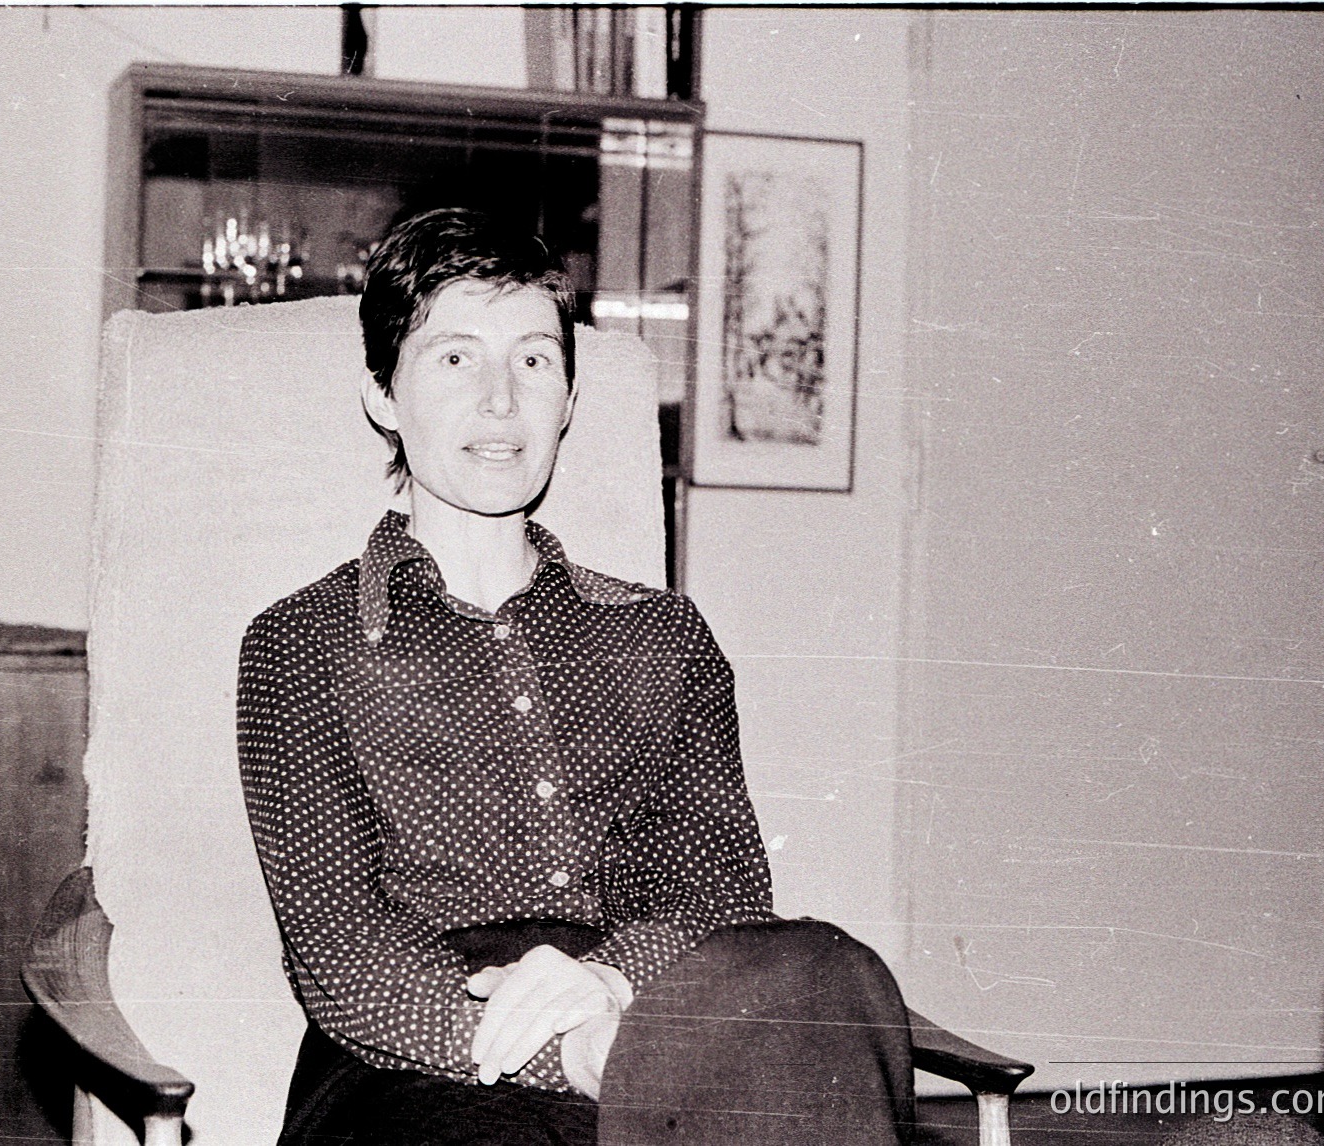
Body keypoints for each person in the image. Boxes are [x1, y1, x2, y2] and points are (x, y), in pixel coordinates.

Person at [237, 207, 915, 1146]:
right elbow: (347, 964)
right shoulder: (302, 643)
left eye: (533, 360)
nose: (501, 402)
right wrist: (589, 1054)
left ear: (567, 398)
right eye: (454, 358)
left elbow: (721, 893)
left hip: (653, 1010)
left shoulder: (663, 636)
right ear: (382, 396)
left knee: (827, 971)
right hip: (416, 1064)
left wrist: (611, 986)